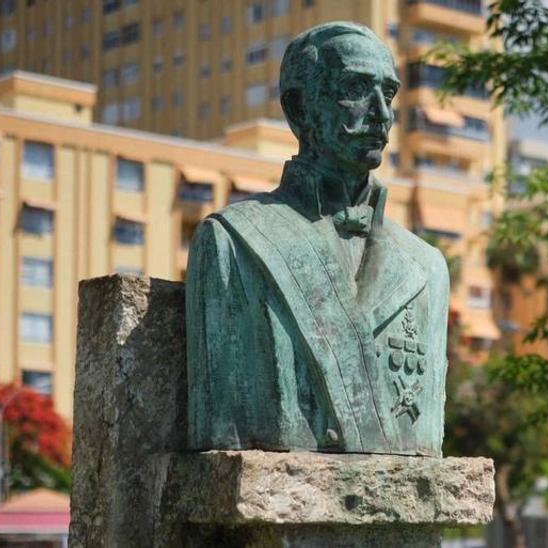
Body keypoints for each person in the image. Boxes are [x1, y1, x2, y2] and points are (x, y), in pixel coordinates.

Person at [185, 22, 449, 456]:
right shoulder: (233, 241)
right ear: (299, 109)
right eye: (356, 88)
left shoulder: (426, 267)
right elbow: (224, 433)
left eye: (390, 93)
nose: (381, 113)